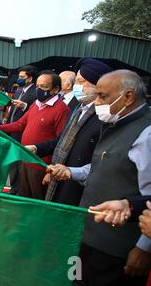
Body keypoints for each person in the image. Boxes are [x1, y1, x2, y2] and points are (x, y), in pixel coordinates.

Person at [48, 70, 151, 286]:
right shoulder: (115, 123)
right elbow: (102, 166)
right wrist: (70, 172)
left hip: (114, 249)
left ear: (128, 97)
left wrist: (144, 248)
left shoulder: (146, 135)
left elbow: (150, 199)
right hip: (86, 233)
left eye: (102, 96)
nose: (96, 102)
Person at [26, 58, 112, 206]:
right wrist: (37, 148)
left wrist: (72, 172)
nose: (76, 86)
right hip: (60, 176)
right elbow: (61, 140)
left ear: (98, 85)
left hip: (78, 185)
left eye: (81, 82)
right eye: (76, 82)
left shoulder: (105, 115)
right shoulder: (78, 109)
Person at [0, 71, 70, 200]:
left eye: (44, 87)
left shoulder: (61, 110)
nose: (39, 90)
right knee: (24, 198)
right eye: (37, 86)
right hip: (26, 160)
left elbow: (61, 143)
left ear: (56, 89)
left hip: (41, 166)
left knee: (37, 200)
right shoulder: (36, 104)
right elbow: (19, 124)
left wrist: (50, 171)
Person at [4, 65, 38, 195]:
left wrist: (25, 106)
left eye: (22, 77)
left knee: (21, 164)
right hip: (12, 132)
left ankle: (21, 191)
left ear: (30, 78)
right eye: (19, 76)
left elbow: (35, 111)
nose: (19, 79)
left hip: (22, 133)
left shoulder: (35, 92)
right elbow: (12, 111)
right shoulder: (19, 91)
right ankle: (14, 188)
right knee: (12, 162)